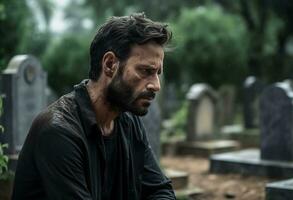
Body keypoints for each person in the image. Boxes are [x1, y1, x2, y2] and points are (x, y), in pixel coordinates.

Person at [12, 13, 175, 200]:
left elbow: (160, 191)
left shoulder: (129, 123)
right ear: (110, 64)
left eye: (157, 73)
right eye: (146, 71)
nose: (156, 85)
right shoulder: (58, 131)